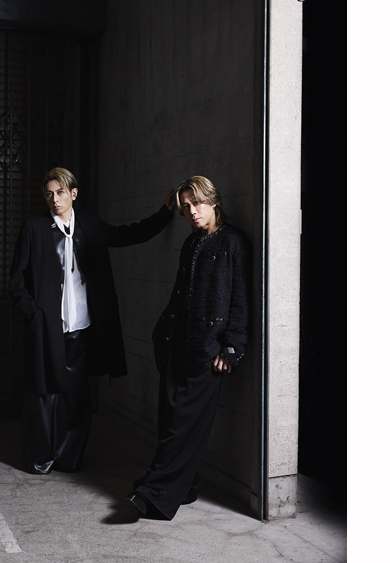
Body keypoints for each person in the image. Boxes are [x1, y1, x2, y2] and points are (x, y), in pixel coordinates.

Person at [9, 167, 176, 474]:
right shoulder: (34, 228)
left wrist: (164, 214)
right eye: (49, 193)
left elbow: (129, 234)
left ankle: (68, 457)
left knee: (76, 396)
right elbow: (16, 279)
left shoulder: (89, 224)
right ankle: (40, 457)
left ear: (73, 194)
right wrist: (34, 314)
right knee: (44, 394)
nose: (55, 199)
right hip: (47, 327)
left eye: (61, 192)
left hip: (81, 327)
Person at [127, 175, 251, 520]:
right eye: (185, 207)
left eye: (197, 203)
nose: (192, 211)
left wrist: (232, 347)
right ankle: (186, 486)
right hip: (175, 343)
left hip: (208, 351)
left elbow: (241, 298)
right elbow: (180, 293)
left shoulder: (234, 242)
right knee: (170, 419)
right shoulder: (191, 242)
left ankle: (153, 493)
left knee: (183, 425)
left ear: (213, 201)